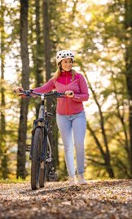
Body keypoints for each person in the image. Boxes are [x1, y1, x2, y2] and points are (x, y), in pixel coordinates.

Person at [15, 50, 89, 185]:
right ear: (60, 63)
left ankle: (81, 175)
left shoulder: (78, 77)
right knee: (67, 146)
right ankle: (72, 177)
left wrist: (74, 96)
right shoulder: (55, 79)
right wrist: (26, 93)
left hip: (78, 115)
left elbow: (86, 96)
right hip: (62, 116)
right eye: (65, 61)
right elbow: (42, 89)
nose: (68, 64)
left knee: (78, 143)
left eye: (70, 61)